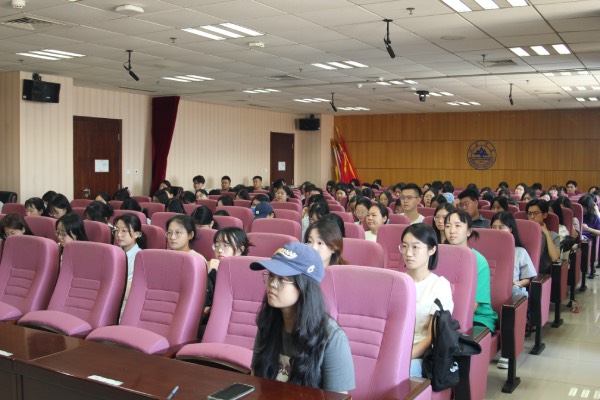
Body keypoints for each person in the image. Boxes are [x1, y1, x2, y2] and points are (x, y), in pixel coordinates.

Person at [250, 242, 355, 393]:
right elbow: (256, 380)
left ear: (304, 286)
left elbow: (338, 397)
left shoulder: (333, 338)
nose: (272, 284)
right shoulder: (268, 323)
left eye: (282, 279)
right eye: (271, 276)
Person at [401, 223, 453, 377]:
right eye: (404, 246)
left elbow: (432, 337)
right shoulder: (397, 281)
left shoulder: (439, 285)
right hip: (394, 347)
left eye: (415, 247)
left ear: (432, 250)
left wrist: (402, 357)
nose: (408, 253)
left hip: (420, 354)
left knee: (395, 372)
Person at [445, 210, 497, 332]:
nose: (452, 230)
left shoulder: (479, 261)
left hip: (477, 318)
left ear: (468, 231)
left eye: (458, 226)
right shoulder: (440, 256)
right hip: (445, 315)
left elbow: (472, 306)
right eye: (448, 226)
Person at [112, 213, 145, 314]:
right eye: (117, 230)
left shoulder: (140, 258)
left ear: (137, 234)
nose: (119, 235)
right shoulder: (113, 253)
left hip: (126, 303)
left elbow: (129, 291)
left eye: (124, 231)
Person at [526, 200, 560, 274]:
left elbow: (555, 258)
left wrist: (547, 234)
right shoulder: (523, 233)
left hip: (541, 273)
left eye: (535, 213)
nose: (532, 217)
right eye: (529, 214)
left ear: (544, 215)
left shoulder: (553, 235)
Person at [578, 195, 600, 278]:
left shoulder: (595, 218)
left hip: (587, 241)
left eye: (585, 207)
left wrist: (588, 229)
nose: (583, 209)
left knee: (584, 244)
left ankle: (585, 270)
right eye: (581, 207)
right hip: (577, 238)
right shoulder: (576, 215)